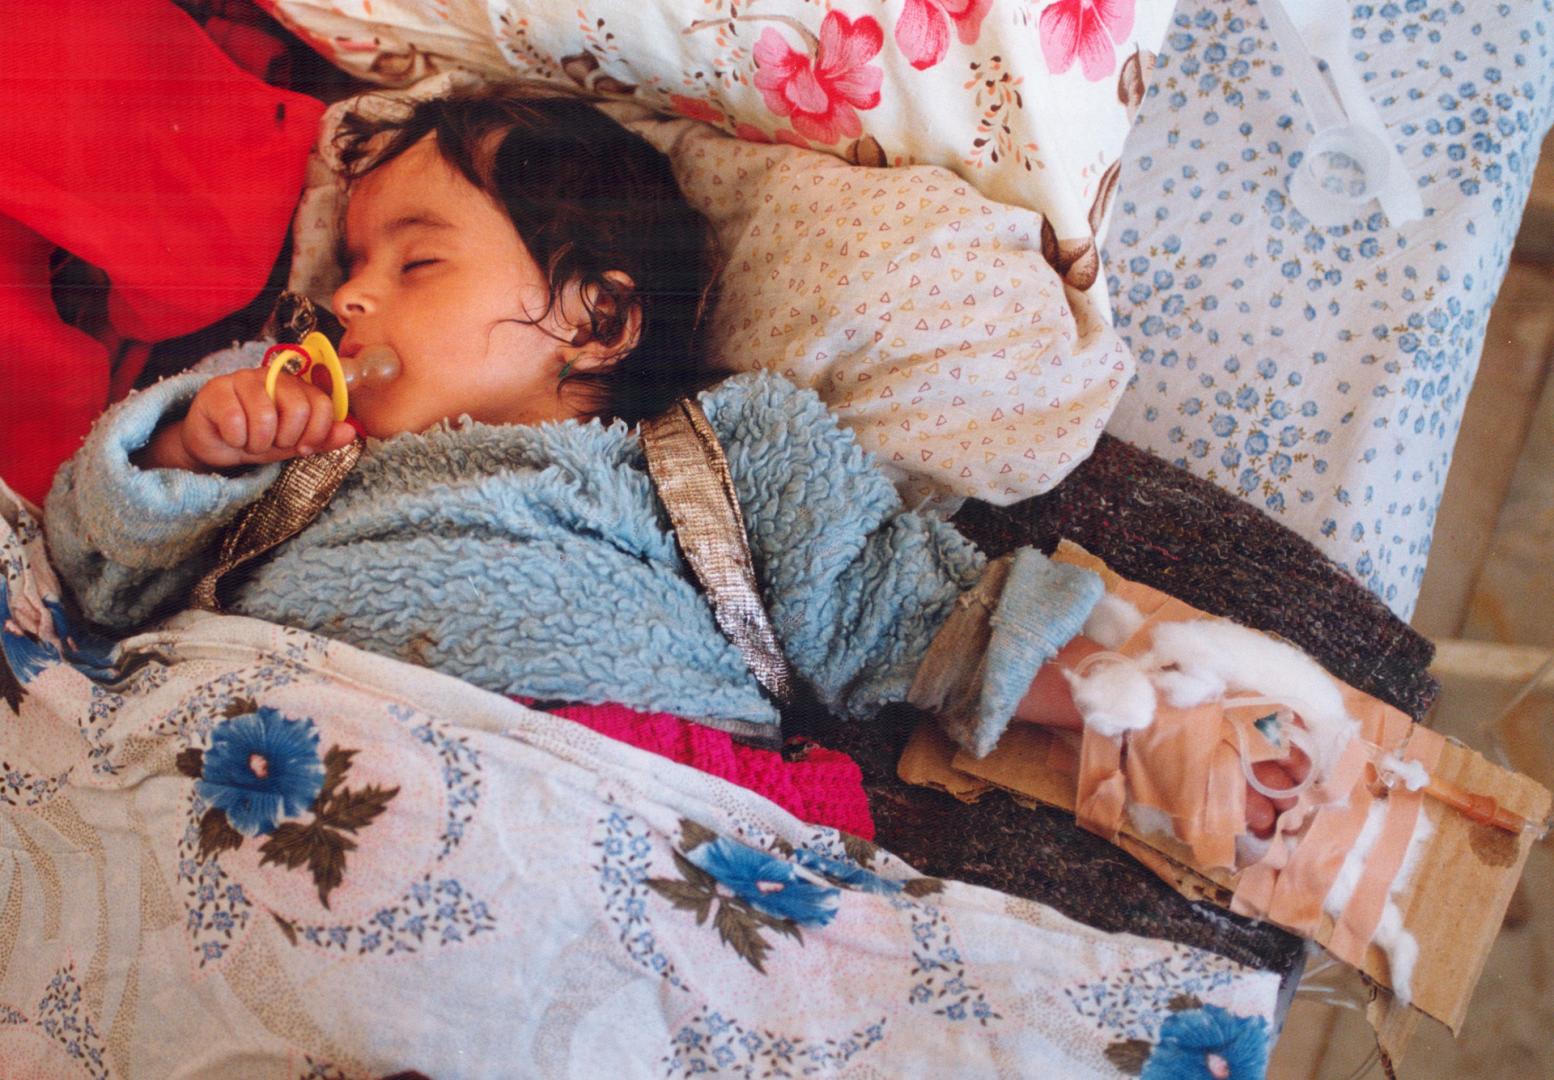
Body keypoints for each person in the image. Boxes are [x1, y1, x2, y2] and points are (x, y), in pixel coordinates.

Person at [42, 84, 1304, 842]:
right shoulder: (290, 470)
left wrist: (1149, 710)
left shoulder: (729, 457)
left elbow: (917, 614)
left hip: (622, 814)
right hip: (267, 773)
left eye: (414, 264)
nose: (349, 305)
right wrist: (186, 453)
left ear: (598, 317)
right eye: (348, 273)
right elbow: (99, 582)